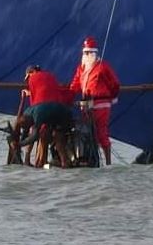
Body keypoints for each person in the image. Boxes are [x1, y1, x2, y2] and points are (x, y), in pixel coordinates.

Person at [68, 36, 119, 165]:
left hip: (101, 103)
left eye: (89, 52)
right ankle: (92, 159)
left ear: (94, 53)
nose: (86, 55)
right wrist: (67, 97)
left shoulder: (102, 66)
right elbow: (74, 85)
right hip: (87, 105)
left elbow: (114, 83)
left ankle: (108, 162)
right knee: (88, 133)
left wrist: (113, 97)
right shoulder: (81, 68)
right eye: (85, 52)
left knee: (101, 132)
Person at [14, 65, 73, 167]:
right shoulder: (51, 76)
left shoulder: (32, 79)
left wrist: (19, 144)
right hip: (61, 110)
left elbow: (34, 104)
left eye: (28, 77)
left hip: (42, 110)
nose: (27, 80)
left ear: (31, 73)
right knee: (58, 140)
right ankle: (64, 163)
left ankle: (29, 160)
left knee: (35, 130)